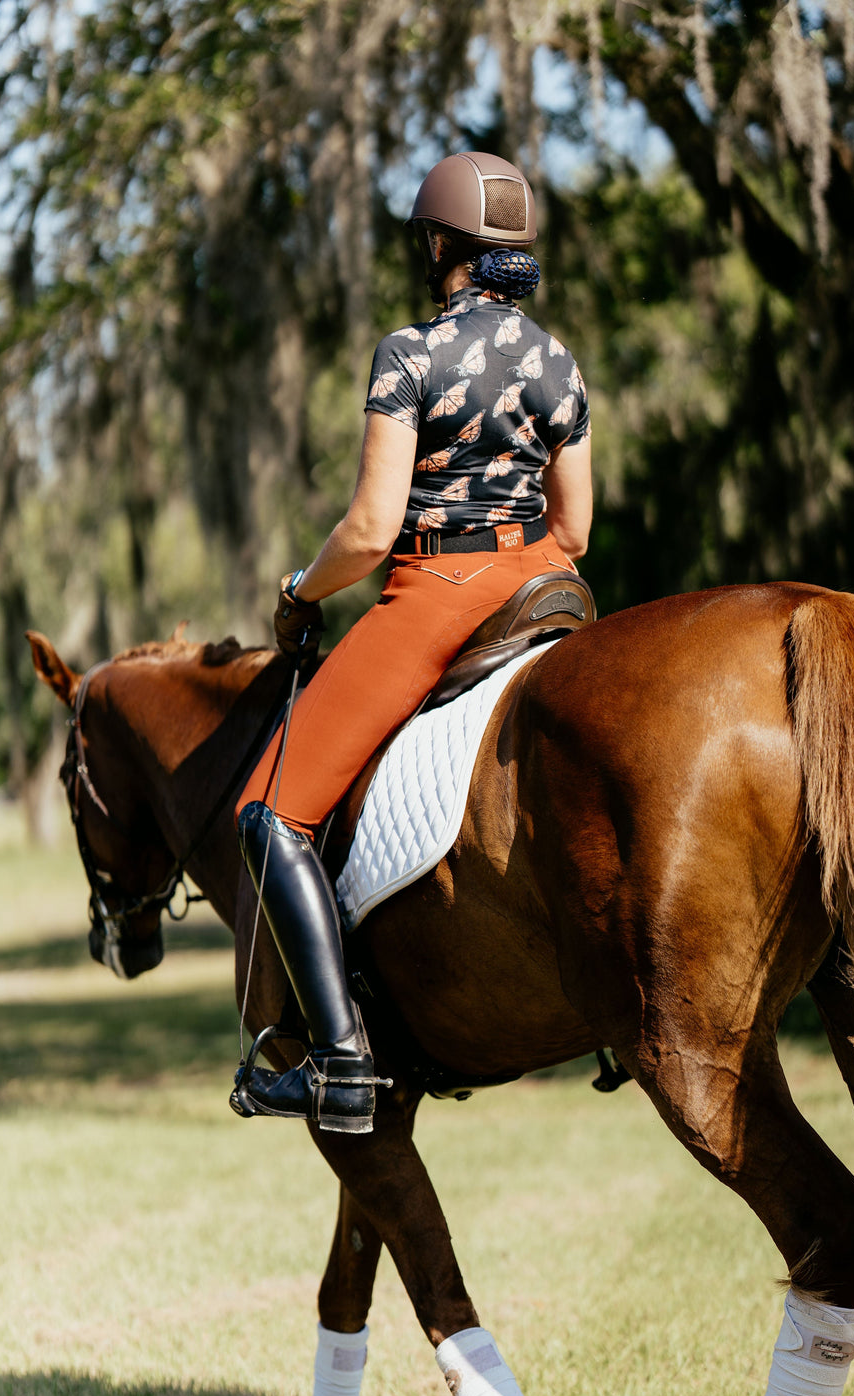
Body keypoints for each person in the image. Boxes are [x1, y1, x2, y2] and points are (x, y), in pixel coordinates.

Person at [232, 150, 593, 1135]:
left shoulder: (408, 354)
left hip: (438, 590)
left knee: (267, 813)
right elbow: (577, 528)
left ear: (440, 245)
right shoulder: (558, 362)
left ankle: (342, 1062)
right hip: (544, 586)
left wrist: (299, 593)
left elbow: (366, 531)